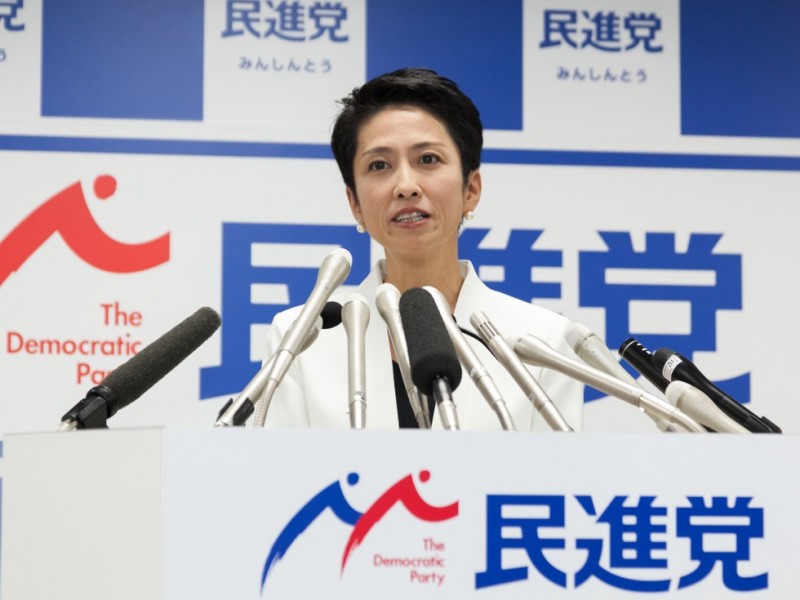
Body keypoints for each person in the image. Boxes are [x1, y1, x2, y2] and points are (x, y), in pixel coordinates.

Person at [263, 67, 582, 431]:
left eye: (428, 159)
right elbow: (282, 467)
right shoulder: (302, 339)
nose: (405, 185)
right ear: (355, 203)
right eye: (379, 165)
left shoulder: (542, 340)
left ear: (471, 189)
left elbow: (558, 467)